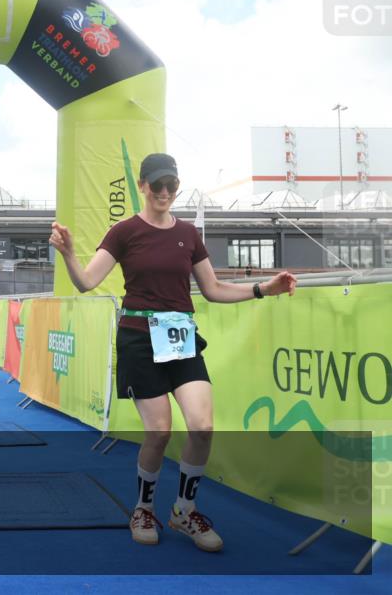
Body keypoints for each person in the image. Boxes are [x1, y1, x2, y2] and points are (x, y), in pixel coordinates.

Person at [49, 153, 297, 552]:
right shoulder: (124, 232)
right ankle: (143, 508)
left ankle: (183, 510)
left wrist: (261, 289)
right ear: (144, 186)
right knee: (160, 431)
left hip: (181, 337)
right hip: (138, 338)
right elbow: (86, 282)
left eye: (172, 185)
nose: (165, 192)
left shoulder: (188, 233)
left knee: (202, 426)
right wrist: (69, 254)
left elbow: (213, 289)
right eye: (158, 185)